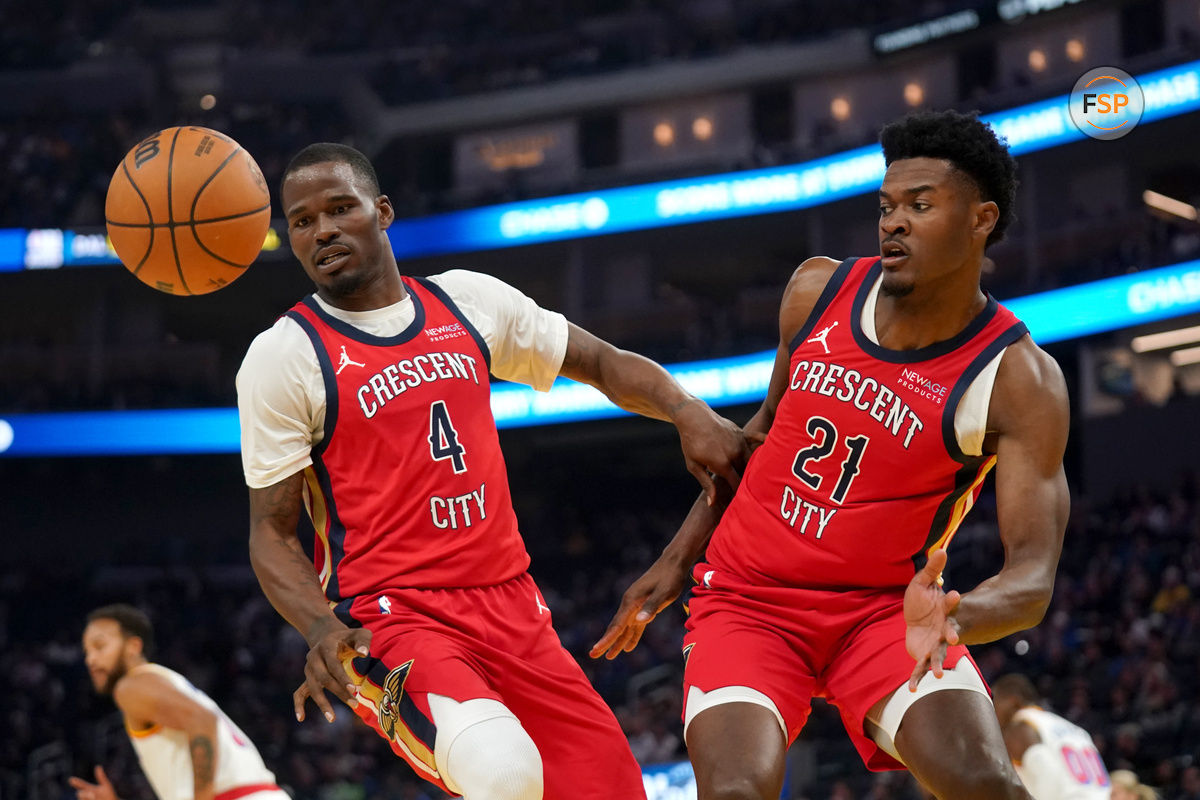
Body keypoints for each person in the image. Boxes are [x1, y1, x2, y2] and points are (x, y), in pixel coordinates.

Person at [236, 143, 748, 800]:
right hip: (390, 619)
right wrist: (319, 626)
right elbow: (271, 532)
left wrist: (684, 408)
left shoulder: (467, 301)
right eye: (302, 221)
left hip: (513, 607)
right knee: (503, 773)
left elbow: (601, 362)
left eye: (340, 208)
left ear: (382, 211)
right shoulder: (284, 355)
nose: (322, 230)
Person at [591, 109, 1070, 800]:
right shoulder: (818, 290)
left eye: (920, 205)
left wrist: (955, 616)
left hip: (881, 616)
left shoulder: (1019, 379)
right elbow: (753, 446)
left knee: (987, 785)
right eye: (887, 205)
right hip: (750, 603)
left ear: (981, 219)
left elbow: (1031, 577)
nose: (892, 222)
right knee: (733, 792)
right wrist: (677, 558)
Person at [69, 604, 287, 800]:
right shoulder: (164, 684)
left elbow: (203, 721)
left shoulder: (131, 685)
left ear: (133, 646)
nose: (91, 659)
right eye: (87, 651)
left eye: (100, 646)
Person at [991, 673, 1112, 798]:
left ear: (1013, 701)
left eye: (994, 702)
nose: (990, 710)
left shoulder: (1021, 725)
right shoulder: (1076, 730)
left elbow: (1045, 771)